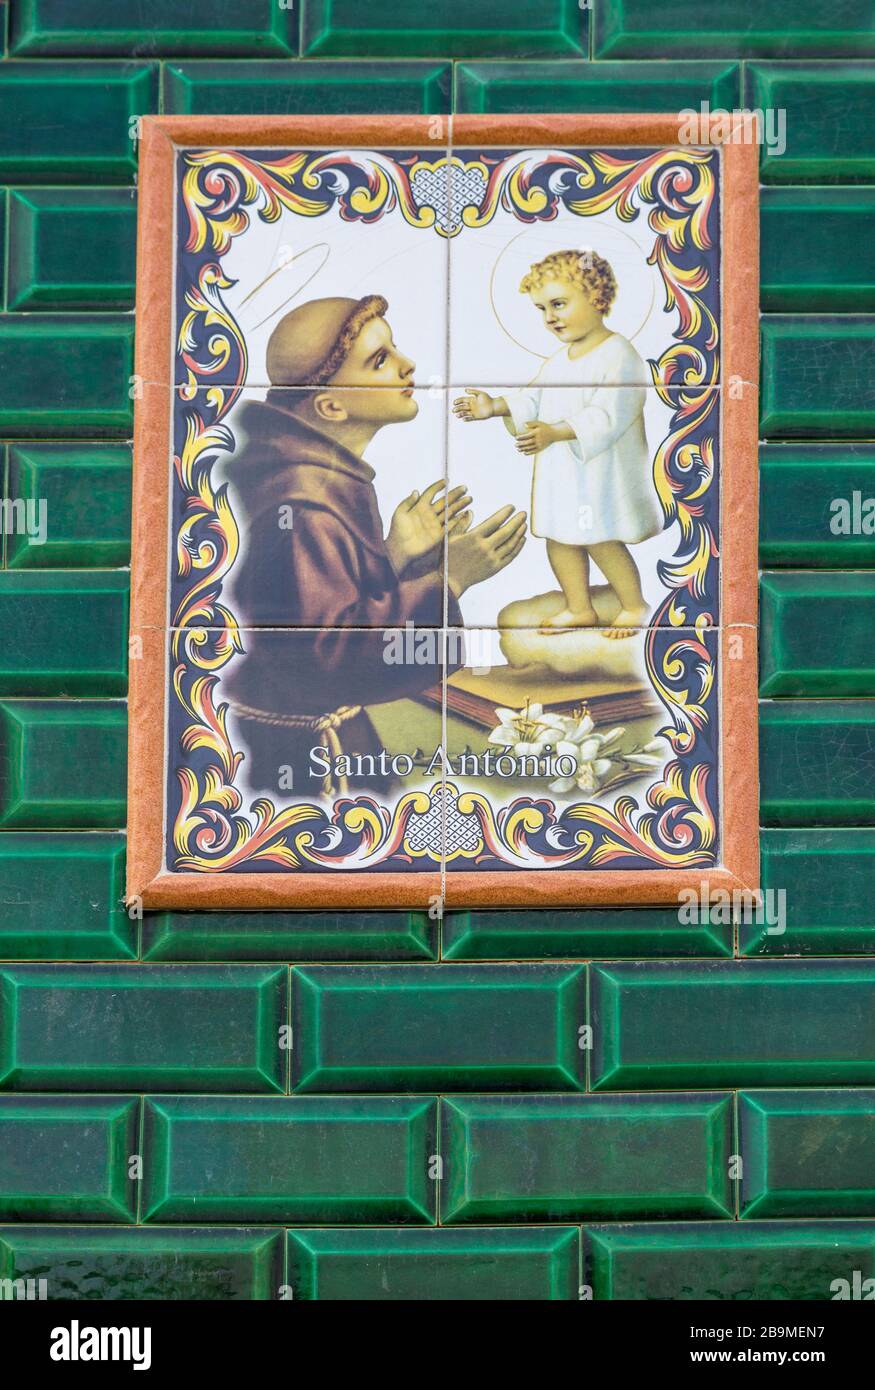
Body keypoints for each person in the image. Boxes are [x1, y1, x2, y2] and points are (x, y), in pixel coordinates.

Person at [220, 293, 527, 794]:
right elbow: (329, 658)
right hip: (311, 764)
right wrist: (450, 579)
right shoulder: (304, 503)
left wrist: (395, 553)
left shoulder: (317, 475)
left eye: (394, 348)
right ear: (331, 405)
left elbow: (315, 607)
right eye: (379, 361)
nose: (407, 366)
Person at [453, 249, 663, 639]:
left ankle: (634, 606)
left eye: (559, 304)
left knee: (602, 539)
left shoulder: (619, 355)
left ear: (596, 298)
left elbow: (609, 414)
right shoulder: (560, 361)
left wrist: (556, 432)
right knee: (560, 538)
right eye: (541, 308)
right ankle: (579, 607)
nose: (550, 317)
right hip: (564, 474)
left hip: (602, 473)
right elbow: (533, 398)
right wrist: (494, 406)